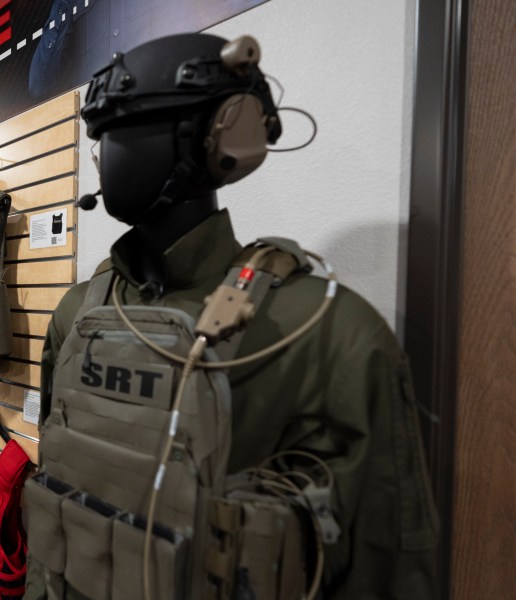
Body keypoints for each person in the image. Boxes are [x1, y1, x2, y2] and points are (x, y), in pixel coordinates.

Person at [25, 33, 439, 598]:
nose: (105, 154)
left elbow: (386, 564)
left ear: (218, 135)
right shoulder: (78, 312)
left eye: (129, 129)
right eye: (102, 137)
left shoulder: (329, 333)